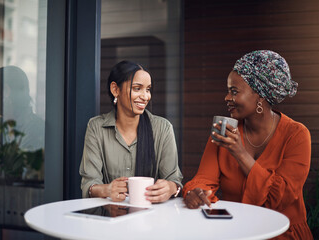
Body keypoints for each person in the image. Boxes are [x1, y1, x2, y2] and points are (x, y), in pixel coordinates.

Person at [183, 50, 313, 239]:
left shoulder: (297, 135)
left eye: (234, 91)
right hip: (238, 232)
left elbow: (282, 198)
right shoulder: (225, 131)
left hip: (284, 234)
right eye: (228, 91)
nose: (227, 98)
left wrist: (240, 152)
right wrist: (197, 193)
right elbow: (203, 179)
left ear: (260, 96)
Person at [79, 60, 183, 203]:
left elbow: (174, 179)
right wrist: (107, 189)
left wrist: (170, 187)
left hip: (151, 217)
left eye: (148, 89)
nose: (146, 96)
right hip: (110, 217)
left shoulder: (163, 128)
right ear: (115, 89)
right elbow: (89, 183)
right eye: (137, 88)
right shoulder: (96, 127)